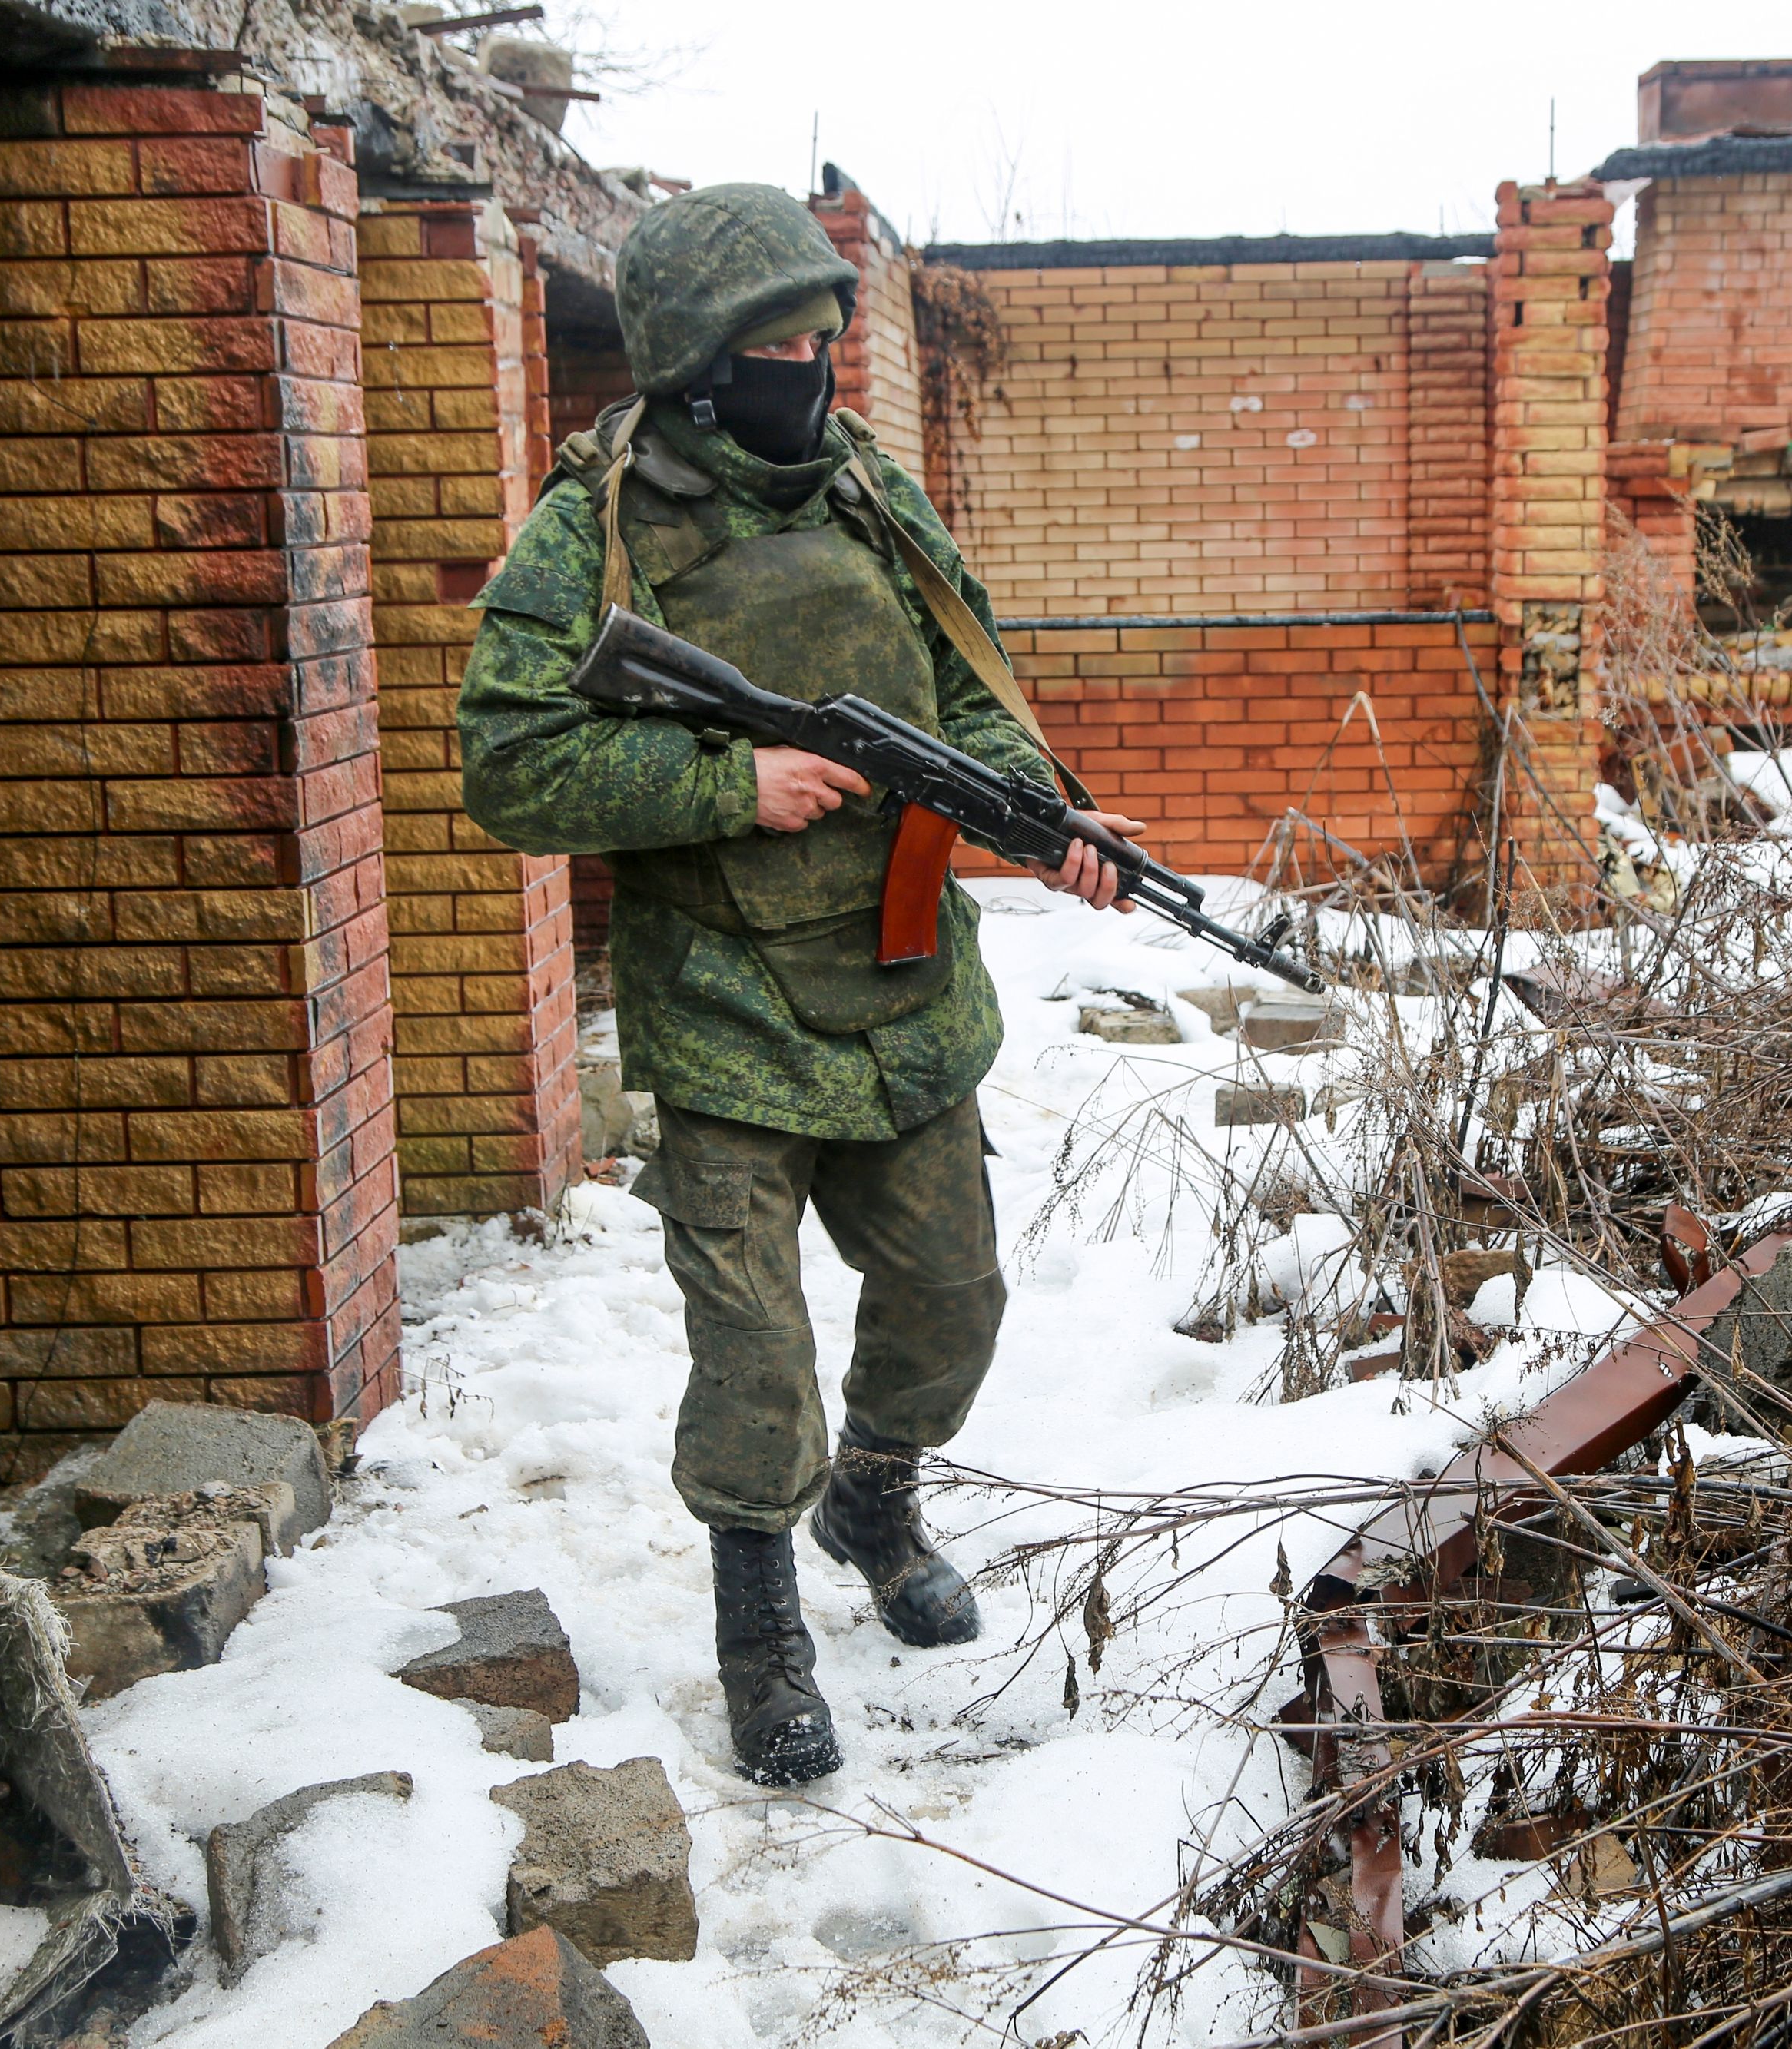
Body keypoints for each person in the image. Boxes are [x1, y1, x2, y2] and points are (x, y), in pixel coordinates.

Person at [457, 184, 1143, 1786]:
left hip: (903, 991)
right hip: (726, 1011)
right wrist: (726, 782)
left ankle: (874, 1501)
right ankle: (758, 1623)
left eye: (821, 339)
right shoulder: (595, 530)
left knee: (952, 1301)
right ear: (697, 363)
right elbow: (506, 761)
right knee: (754, 1351)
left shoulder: (871, 494)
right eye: (775, 348)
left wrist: (1043, 816)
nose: (809, 370)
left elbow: (970, 691)